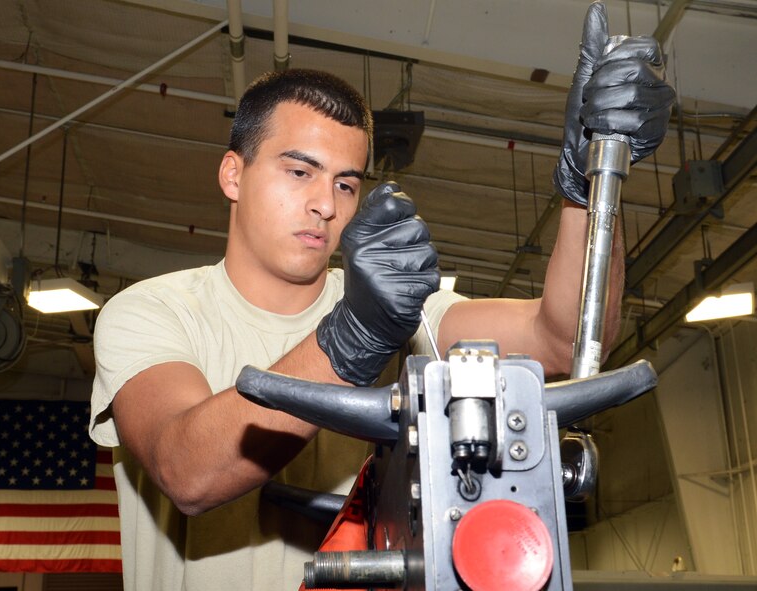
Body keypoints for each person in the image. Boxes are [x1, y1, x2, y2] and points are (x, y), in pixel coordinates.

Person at [89, 4, 675, 589]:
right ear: (233, 175)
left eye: (346, 182)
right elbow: (187, 471)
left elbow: (561, 338)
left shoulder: (403, 314)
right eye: (300, 172)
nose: (327, 203)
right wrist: (355, 339)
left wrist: (589, 181)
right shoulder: (153, 310)